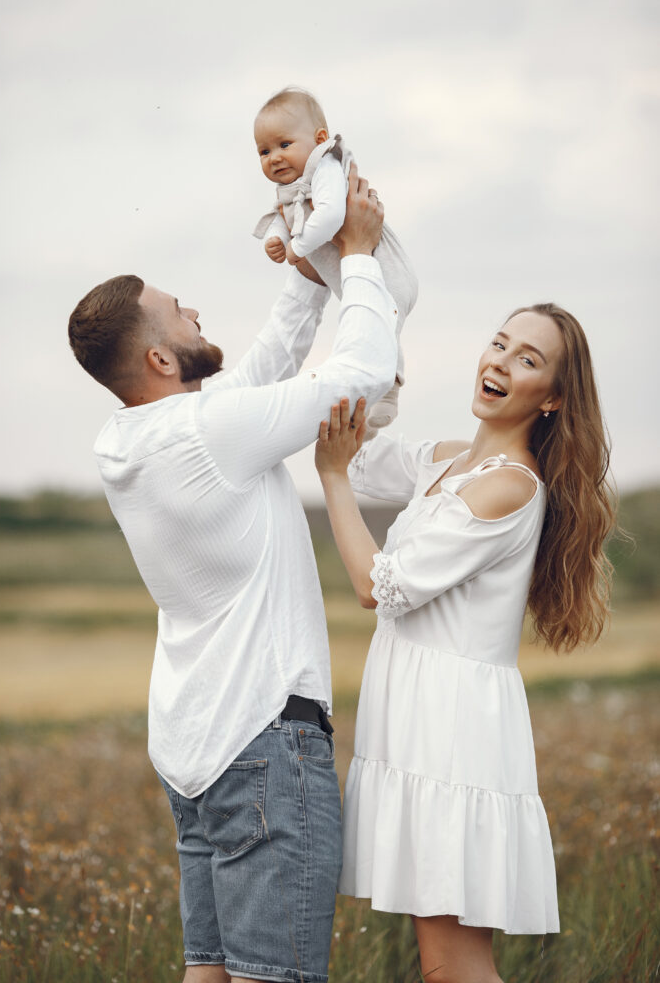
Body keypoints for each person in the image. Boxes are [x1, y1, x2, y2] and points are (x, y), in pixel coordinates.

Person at [67, 168, 399, 983]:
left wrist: (303, 277)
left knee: (210, 973)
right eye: (181, 313)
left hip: (196, 750)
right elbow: (355, 377)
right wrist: (358, 259)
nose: (196, 313)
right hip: (262, 746)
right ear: (158, 354)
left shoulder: (138, 438)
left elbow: (255, 374)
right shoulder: (206, 433)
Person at [314, 304, 615, 983]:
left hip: (452, 737)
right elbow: (363, 459)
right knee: (439, 966)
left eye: (527, 359)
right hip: (418, 724)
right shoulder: (451, 462)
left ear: (554, 398)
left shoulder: (506, 486)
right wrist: (373, 338)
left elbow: (379, 587)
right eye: (499, 344)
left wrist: (329, 478)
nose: (500, 363)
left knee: (452, 968)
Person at [253, 86, 418, 439]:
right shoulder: (294, 187)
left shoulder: (325, 166)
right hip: (347, 272)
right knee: (370, 326)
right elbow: (287, 214)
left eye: (284, 145)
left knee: (379, 325)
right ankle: (364, 412)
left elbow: (329, 215)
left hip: (381, 266)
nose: (274, 158)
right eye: (264, 151)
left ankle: (388, 389)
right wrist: (277, 239)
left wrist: (296, 247)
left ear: (320, 139)